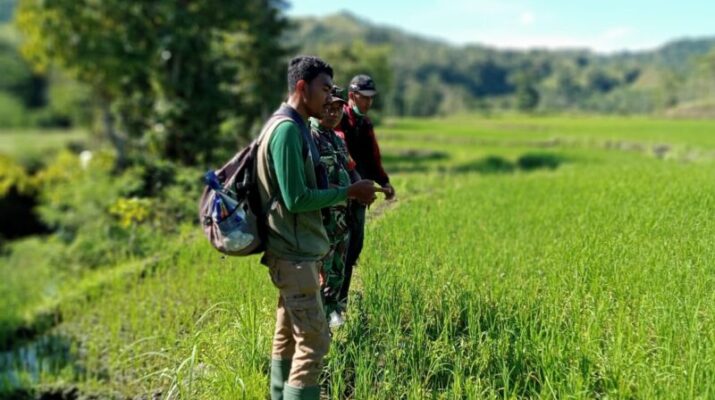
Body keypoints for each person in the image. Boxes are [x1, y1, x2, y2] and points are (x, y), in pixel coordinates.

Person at [256, 56, 379, 400]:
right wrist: (348, 192)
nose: (329, 99)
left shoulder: (291, 126)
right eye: (325, 89)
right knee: (314, 340)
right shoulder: (287, 130)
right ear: (301, 87)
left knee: (287, 336)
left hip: (294, 249)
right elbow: (296, 198)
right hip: (294, 253)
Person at [336, 74, 395, 310]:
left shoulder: (365, 123)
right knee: (337, 250)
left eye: (371, 98)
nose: (369, 102)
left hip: (360, 195)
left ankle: (341, 303)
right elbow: (343, 156)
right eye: (364, 97)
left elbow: (373, 157)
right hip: (340, 193)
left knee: (353, 249)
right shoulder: (339, 119)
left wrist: (384, 181)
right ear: (352, 96)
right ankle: (329, 303)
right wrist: (356, 183)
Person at [309, 88, 356, 328]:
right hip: (321, 224)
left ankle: (331, 316)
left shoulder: (337, 139)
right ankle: (315, 326)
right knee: (318, 275)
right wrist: (350, 190)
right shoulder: (309, 137)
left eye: (339, 108)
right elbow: (310, 185)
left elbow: (350, 169)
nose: (334, 112)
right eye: (329, 107)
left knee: (337, 273)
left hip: (341, 222)